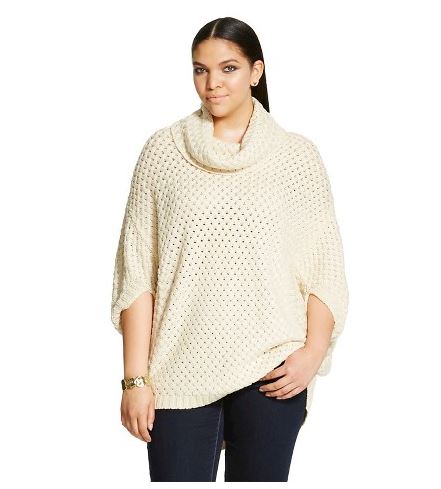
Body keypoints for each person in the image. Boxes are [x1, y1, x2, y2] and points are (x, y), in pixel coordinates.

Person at [111, 16, 349, 482]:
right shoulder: (163, 153)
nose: (212, 83)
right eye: (200, 70)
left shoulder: (296, 157)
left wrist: (312, 354)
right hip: (178, 370)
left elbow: (324, 268)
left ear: (256, 71)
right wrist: (135, 380)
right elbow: (138, 273)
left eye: (228, 68)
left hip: (271, 371)